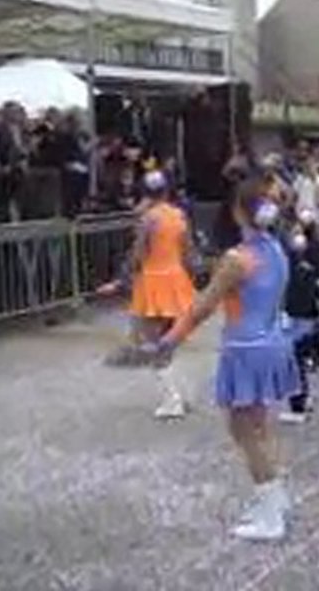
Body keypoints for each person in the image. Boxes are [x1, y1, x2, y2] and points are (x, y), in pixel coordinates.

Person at [146, 178, 300, 542]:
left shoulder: (237, 259)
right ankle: (274, 500)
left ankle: (270, 511)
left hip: (246, 347)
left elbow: (202, 306)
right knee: (258, 425)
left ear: (237, 212)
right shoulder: (276, 249)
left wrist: (169, 339)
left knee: (243, 428)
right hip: (272, 341)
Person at [103, 171, 196, 418]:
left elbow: (138, 254)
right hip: (176, 279)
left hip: (153, 282)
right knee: (169, 342)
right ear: (167, 191)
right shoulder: (178, 215)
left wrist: (122, 280)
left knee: (154, 343)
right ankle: (176, 394)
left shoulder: (147, 219)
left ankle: (172, 400)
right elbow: (188, 251)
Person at [281, 228, 319, 425]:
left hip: (292, 321)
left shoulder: (285, 272)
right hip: (308, 320)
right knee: (302, 361)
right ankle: (304, 397)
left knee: (294, 364)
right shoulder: (311, 271)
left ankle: (298, 405)